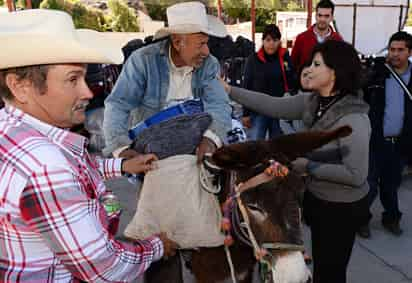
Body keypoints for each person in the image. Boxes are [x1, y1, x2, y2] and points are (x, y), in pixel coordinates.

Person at [0, 9, 178, 282]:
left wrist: (121, 165)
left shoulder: (12, 130)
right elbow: (103, 267)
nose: (87, 92)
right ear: (20, 86)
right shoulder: (46, 166)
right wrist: (156, 247)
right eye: (73, 79)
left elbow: (74, 169)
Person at [222, 40, 370, 283]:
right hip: (317, 200)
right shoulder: (313, 102)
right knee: (321, 263)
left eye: (316, 64)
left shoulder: (354, 118)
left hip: (341, 208)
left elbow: (356, 175)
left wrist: (308, 166)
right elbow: (272, 104)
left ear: (335, 72)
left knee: (331, 271)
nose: (308, 69)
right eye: (310, 63)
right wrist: (229, 90)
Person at [103, 1, 232, 162]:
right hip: (152, 153)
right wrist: (120, 147)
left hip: (194, 149)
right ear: (178, 43)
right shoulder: (143, 61)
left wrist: (212, 138)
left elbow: (219, 104)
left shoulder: (209, 64)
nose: (206, 51)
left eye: (207, 43)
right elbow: (118, 104)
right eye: (201, 44)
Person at [359, 31, 412, 238]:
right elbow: (359, 90)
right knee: (370, 183)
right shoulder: (380, 73)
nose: (395, 54)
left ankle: (391, 218)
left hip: (400, 143)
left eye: (400, 50)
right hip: (376, 140)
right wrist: (372, 72)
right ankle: (361, 220)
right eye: (392, 49)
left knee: (391, 185)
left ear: (409, 52)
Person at [242, 24, 296, 140]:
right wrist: (245, 113)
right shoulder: (253, 60)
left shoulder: (284, 58)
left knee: (277, 146)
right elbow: (246, 86)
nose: (271, 43)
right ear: (263, 41)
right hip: (258, 110)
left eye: (275, 40)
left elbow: (292, 81)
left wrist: (288, 66)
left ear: (279, 41)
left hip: (278, 110)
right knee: (256, 144)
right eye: (268, 40)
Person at [291, 0, 343, 71]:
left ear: (332, 17)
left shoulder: (338, 40)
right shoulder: (301, 38)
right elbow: (293, 64)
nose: (322, 19)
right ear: (315, 16)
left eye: (326, 16)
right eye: (320, 15)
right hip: (306, 81)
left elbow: (341, 66)